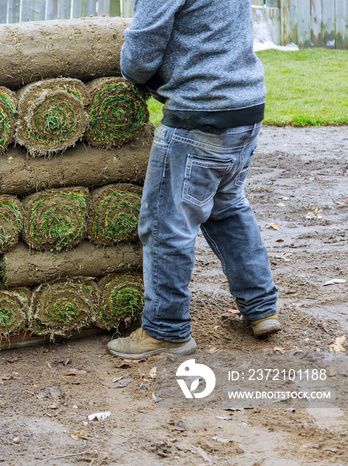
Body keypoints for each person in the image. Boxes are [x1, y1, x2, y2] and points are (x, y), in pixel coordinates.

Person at [107, 0, 282, 359]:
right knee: (227, 205)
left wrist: (131, 68)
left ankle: (166, 330)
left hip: (200, 113)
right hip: (245, 105)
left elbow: (139, 56)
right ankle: (262, 307)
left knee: (167, 223)